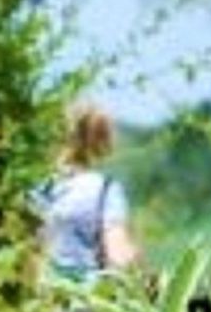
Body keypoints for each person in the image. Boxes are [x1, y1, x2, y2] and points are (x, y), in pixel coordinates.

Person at [35, 99, 139, 283]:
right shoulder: (104, 189)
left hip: (36, 303)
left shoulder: (33, 187)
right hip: (86, 301)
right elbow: (119, 257)